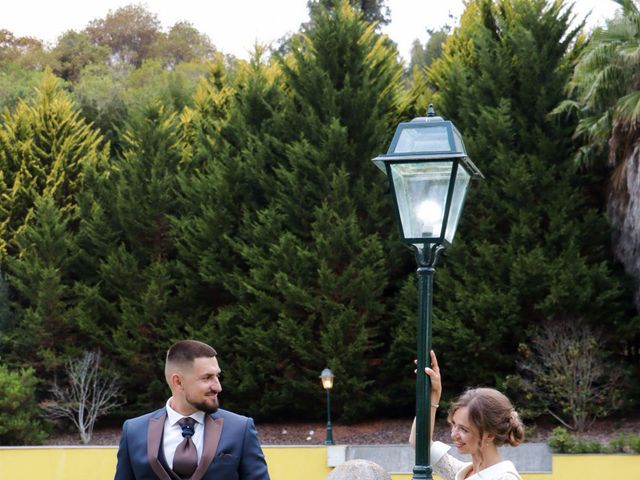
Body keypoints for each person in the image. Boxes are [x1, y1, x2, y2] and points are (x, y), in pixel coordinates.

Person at [115, 340, 270, 480]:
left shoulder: (240, 429)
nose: (218, 387)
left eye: (217, 376)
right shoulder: (134, 431)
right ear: (178, 382)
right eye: (207, 377)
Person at [409, 351, 524, 480]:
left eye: (463, 429)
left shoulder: (504, 478)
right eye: (454, 425)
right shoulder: (462, 472)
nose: (453, 435)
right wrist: (434, 394)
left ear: (490, 435)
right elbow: (419, 443)